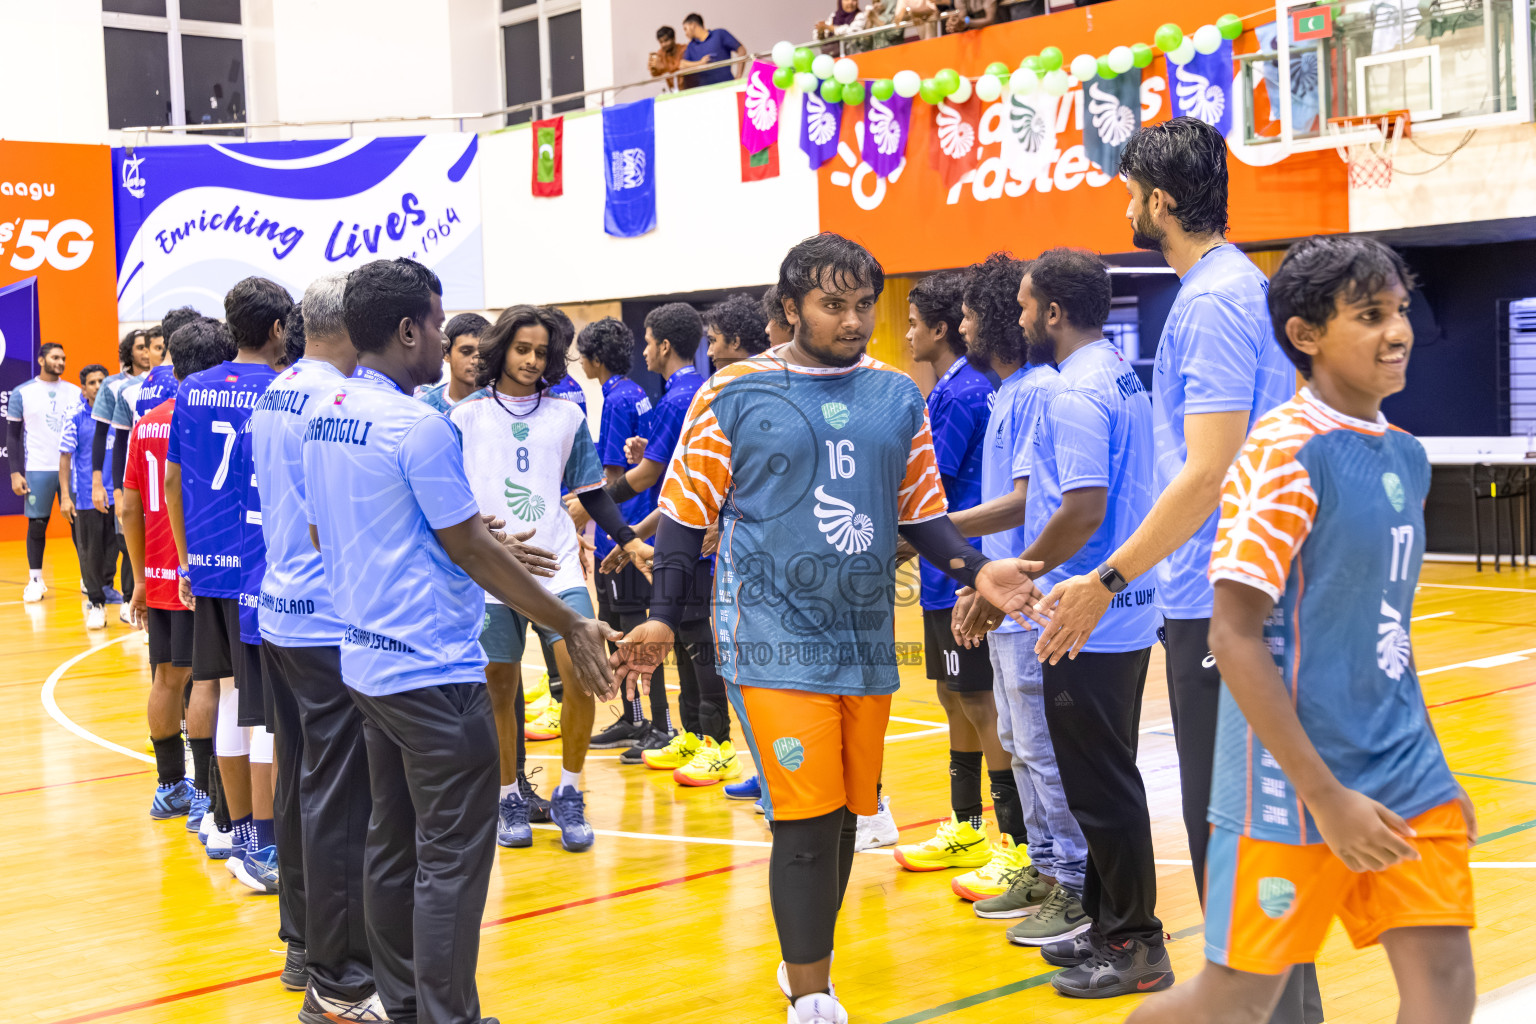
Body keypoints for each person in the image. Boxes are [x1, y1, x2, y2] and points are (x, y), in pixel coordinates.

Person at [609, 233, 1045, 1024]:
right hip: (768, 641)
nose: (851, 320)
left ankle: (808, 960)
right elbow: (681, 520)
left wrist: (979, 571)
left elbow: (923, 516)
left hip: (864, 643)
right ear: (790, 309)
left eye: (861, 306)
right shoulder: (732, 392)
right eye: (832, 305)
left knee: (845, 815)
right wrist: (663, 621)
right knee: (805, 822)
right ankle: (811, 995)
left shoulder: (896, 395)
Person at [1128, 236, 1477, 1024]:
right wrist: (1325, 797)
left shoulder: (1407, 458)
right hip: (1290, 787)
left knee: (1447, 983)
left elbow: (1383, 631)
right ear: (1305, 336)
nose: (1397, 331)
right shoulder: (1282, 455)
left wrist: (1435, 769)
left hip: (1403, 774)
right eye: (1368, 316)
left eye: (1398, 311)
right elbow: (1233, 636)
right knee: (1238, 1000)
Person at [1030, 118, 1317, 1018]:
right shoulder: (1241, 291)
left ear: (1159, 201)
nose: (1122, 207)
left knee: (1233, 839)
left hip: (1229, 605)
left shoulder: (1211, 300)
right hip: (1239, 595)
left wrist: (1104, 580)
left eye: (1127, 191)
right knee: (1242, 840)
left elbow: (1209, 467)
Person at [303, 257, 617, 1024]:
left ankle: (405, 1003)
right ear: (409, 330)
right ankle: (451, 1017)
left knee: (392, 842)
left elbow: (337, 528)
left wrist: (485, 541)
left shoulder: (328, 412)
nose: (450, 341)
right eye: (441, 325)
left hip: (365, 661)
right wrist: (572, 619)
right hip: (434, 675)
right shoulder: (420, 425)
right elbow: (468, 549)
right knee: (451, 863)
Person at [964, 248, 1168, 996]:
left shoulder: (1076, 393)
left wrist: (1022, 569)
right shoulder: (1116, 372)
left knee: (1102, 790)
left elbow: (1080, 511)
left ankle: (1137, 945)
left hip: (1090, 618)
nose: (1017, 320)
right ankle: (1112, 928)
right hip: (1117, 613)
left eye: (1023, 306)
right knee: (1102, 783)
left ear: (1052, 312)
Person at [451, 305, 648, 853]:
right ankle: (508, 794)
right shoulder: (463, 416)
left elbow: (590, 492)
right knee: (500, 686)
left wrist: (629, 539)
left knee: (581, 670)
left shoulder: (567, 416)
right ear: (501, 350)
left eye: (542, 352)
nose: (532, 360)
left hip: (556, 561)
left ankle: (570, 790)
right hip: (490, 569)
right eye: (522, 349)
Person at [249, 275, 388, 1020]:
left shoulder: (279, 390)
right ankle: (339, 978)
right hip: (328, 619)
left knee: (307, 784)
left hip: (282, 613)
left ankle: (304, 942)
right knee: (342, 802)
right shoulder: (333, 401)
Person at [891, 266, 1023, 888]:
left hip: (962, 570)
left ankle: (1011, 842)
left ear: (942, 328)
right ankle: (968, 827)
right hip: (959, 569)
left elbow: (926, 487)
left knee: (977, 699)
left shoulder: (956, 394)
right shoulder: (973, 387)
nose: (906, 334)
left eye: (913, 323)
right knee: (957, 698)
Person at [165, 278, 291, 891]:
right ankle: (265, 840)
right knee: (265, 712)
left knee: (231, 700)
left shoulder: (189, 389)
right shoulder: (286, 391)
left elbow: (172, 482)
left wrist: (188, 561)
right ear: (277, 329)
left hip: (211, 565)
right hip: (263, 565)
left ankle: (237, 831)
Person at [122, 318, 225, 837]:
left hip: (158, 571)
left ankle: (169, 787)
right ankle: (208, 799)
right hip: (200, 569)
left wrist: (140, 578)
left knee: (166, 676)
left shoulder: (147, 422)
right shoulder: (207, 413)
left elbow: (129, 508)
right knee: (206, 682)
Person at [573, 316, 667, 753]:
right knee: (622, 619)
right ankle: (635, 720)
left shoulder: (615, 399)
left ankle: (656, 724)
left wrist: (584, 513)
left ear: (593, 360)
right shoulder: (638, 392)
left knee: (630, 627)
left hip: (624, 528)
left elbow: (612, 476)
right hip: (642, 519)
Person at [8, 341, 81, 603]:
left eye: (63, 358)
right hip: (38, 469)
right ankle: (35, 579)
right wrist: (16, 473)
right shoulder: (21, 393)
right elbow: (13, 438)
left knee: (79, 525)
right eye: (54, 357)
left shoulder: (75, 392)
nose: (60, 362)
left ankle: (88, 577)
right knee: (37, 526)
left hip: (71, 469)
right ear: (41, 360)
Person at [59, 364, 113, 628]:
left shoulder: (119, 413)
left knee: (117, 549)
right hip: (87, 498)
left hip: (119, 496)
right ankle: (97, 603)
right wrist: (66, 496)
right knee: (90, 552)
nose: (98, 386)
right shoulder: (76, 417)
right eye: (92, 382)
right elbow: (65, 457)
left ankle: (122, 597)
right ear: (84, 388)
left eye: (102, 380)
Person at [419, 313, 488, 413]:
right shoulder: (426, 409)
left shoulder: (505, 404)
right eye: (466, 352)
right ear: (446, 354)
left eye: (484, 352)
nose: (477, 360)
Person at [704, 293, 770, 370]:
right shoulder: (777, 374)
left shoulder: (724, 381)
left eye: (713, 340)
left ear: (735, 341)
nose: (709, 353)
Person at [678, 13, 744, 89]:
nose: (685, 33)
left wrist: (739, 76)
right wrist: (700, 63)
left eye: (685, 29)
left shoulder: (719, 34)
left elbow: (741, 50)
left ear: (692, 25)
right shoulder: (691, 46)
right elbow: (682, 65)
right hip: (705, 92)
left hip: (727, 87)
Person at [648, 26, 685, 91]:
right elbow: (655, 74)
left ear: (673, 38)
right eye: (661, 42)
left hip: (690, 90)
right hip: (674, 92)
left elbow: (683, 67)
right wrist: (653, 68)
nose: (663, 45)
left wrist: (665, 68)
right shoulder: (660, 54)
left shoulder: (684, 50)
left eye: (666, 40)